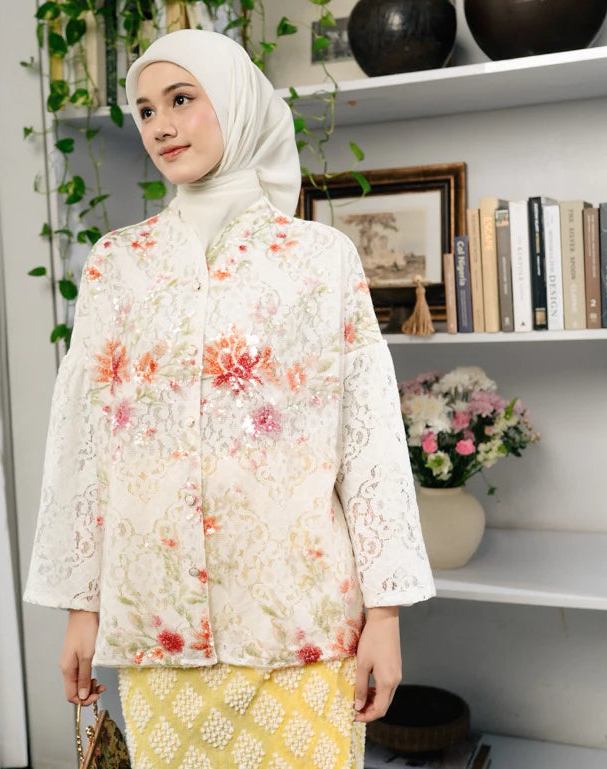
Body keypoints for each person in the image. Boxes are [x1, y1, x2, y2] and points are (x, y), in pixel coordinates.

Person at [23, 28, 435, 769]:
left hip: (304, 623)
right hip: (159, 626)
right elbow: (85, 447)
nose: (162, 125)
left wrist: (385, 616)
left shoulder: (319, 259)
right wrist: (82, 609)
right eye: (146, 109)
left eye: (182, 99)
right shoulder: (117, 265)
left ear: (236, 101)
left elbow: (369, 442)